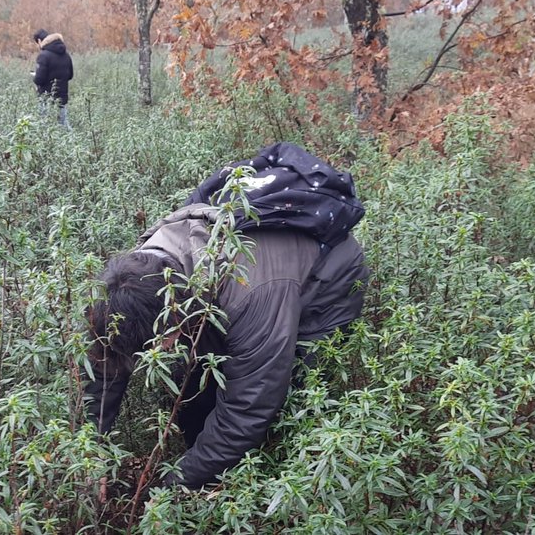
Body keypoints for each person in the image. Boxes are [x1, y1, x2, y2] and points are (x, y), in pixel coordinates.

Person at [84, 143, 370, 489]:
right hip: (231, 285)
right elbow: (105, 360)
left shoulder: (252, 294)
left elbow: (249, 407)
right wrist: (88, 454)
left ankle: (267, 484)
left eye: (157, 346)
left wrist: (169, 488)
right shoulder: (133, 275)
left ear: (173, 321)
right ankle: (205, 462)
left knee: (296, 392)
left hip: (327, 277)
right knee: (196, 379)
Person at [31, 28, 74, 128]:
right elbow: (70, 75)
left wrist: (35, 76)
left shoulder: (43, 56)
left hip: (47, 99)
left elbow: (39, 79)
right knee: (64, 126)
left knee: (45, 127)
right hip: (62, 98)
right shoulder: (66, 55)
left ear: (39, 41)